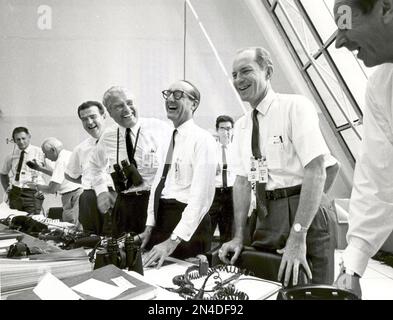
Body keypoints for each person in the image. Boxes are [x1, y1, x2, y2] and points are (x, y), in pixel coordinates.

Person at [218, 47, 339, 286]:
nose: (238, 79)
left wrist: (299, 231)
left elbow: (319, 169)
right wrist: (239, 235)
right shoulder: (241, 126)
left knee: (310, 288)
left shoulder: (294, 107)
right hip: (265, 214)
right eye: (234, 74)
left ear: (268, 71)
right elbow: (242, 181)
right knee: (268, 284)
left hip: (303, 211)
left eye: (246, 71)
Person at [333, 0, 393, 297]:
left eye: (345, 22)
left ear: (386, 8)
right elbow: (376, 178)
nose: (339, 41)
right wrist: (351, 267)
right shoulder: (381, 87)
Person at [140, 80, 218, 268]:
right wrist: (149, 226)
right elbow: (158, 184)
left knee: (183, 285)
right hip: (163, 220)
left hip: (188, 227)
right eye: (168, 94)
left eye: (178, 94)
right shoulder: (168, 138)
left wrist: (173, 240)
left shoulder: (203, 140)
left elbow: (201, 198)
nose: (170, 99)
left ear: (194, 104)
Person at [89, 86, 171, 238]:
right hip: (125, 205)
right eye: (119, 106)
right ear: (109, 112)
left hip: (155, 203)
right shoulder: (108, 136)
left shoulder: (159, 128)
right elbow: (94, 166)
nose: (127, 109)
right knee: (124, 251)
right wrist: (101, 192)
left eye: (129, 102)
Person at [65, 101, 110, 235]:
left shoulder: (119, 141)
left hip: (113, 197)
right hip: (89, 199)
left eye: (93, 116)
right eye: (84, 119)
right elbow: (69, 175)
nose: (89, 122)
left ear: (103, 116)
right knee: (91, 239)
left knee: (114, 240)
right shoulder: (81, 148)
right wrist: (90, 183)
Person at [29, 137, 83, 224]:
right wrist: (39, 168)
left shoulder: (61, 161)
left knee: (71, 226)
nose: (45, 157)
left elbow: (52, 189)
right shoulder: (68, 154)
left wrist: (36, 186)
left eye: (45, 153)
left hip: (73, 196)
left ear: (53, 150)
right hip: (79, 194)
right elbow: (61, 175)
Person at [0, 127, 45, 214]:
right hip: (15, 193)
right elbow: (3, 174)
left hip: (32, 193)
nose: (21, 142)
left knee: (32, 222)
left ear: (29, 137)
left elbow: (52, 171)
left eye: (23, 138)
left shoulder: (40, 152)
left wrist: (45, 190)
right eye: (18, 139)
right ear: (14, 140)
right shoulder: (11, 156)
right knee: (15, 222)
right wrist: (7, 189)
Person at [208, 115, 236, 244]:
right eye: (223, 128)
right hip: (214, 193)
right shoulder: (210, 149)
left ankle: (227, 262)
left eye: (229, 128)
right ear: (217, 130)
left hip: (231, 193)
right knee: (208, 228)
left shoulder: (237, 150)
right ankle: (207, 261)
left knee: (228, 232)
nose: (226, 132)